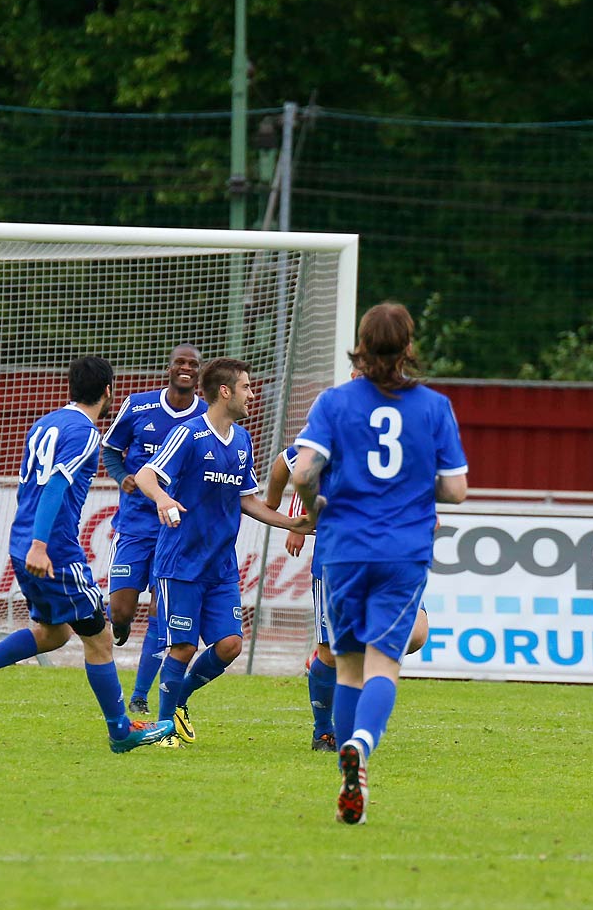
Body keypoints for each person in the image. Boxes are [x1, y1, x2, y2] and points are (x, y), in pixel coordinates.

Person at [0, 356, 175, 753]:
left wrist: (31, 541)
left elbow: (30, 483)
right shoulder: (84, 432)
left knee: (54, 633)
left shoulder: (44, 423)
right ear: (107, 391)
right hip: (53, 551)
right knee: (98, 637)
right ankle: (121, 731)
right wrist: (42, 545)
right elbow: (54, 487)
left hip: (23, 541)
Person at [292, 303, 468, 824]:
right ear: (409, 346)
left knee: (347, 666)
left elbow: (302, 473)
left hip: (344, 548)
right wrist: (416, 484)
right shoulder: (434, 407)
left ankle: (348, 768)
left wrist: (320, 498)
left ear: (361, 346)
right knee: (384, 663)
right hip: (402, 550)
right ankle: (362, 747)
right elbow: (456, 489)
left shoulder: (334, 402)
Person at [135, 357, 313, 746]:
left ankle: (178, 699)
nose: (253, 394)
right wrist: (164, 499)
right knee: (183, 646)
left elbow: (246, 500)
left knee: (230, 644)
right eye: (247, 387)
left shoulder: (243, 441)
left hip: (220, 565)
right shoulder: (188, 434)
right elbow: (147, 475)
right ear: (225, 391)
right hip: (181, 561)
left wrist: (291, 523)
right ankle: (166, 732)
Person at [266, 442, 431, 753]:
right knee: (331, 655)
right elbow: (289, 464)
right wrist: (292, 515)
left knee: (416, 634)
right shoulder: (335, 422)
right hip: (339, 559)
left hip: (394, 557)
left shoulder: (406, 427)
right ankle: (324, 730)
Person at [100, 343, 203, 716]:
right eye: (180, 362)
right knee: (121, 610)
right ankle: (119, 622)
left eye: (193, 364)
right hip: (134, 526)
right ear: (169, 368)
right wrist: (123, 477)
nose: (186, 368)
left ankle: (141, 695)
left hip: (175, 531)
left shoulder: (206, 417)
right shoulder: (138, 405)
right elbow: (110, 449)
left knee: (162, 614)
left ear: (200, 373)